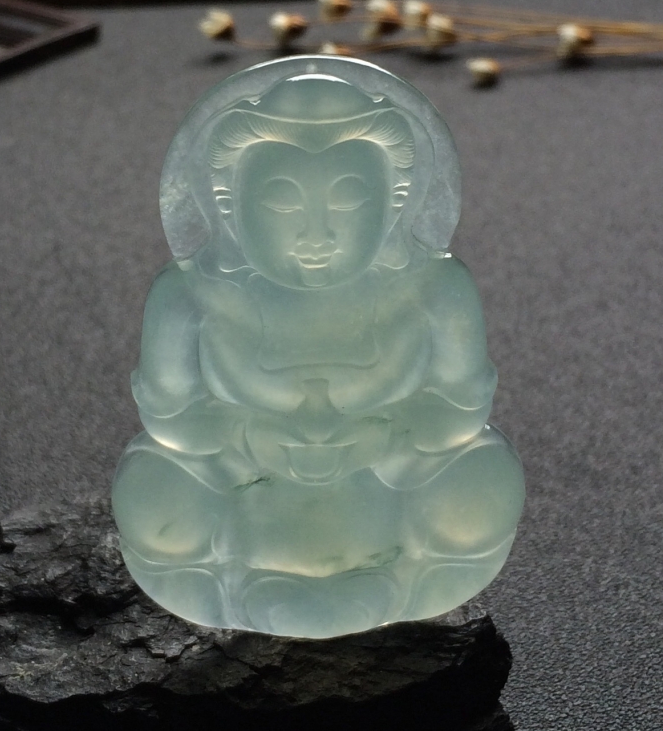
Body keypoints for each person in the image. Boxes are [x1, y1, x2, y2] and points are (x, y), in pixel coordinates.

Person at [112, 70, 524, 638]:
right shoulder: (187, 295)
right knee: (153, 483)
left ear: (396, 204)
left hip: (386, 485)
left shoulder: (436, 289)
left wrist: (385, 436)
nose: (316, 234)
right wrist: (250, 436)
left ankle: (391, 575)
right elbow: (172, 418)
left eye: (349, 199)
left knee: (482, 472)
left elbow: (459, 410)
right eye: (281, 202)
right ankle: (240, 580)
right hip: (247, 491)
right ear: (228, 204)